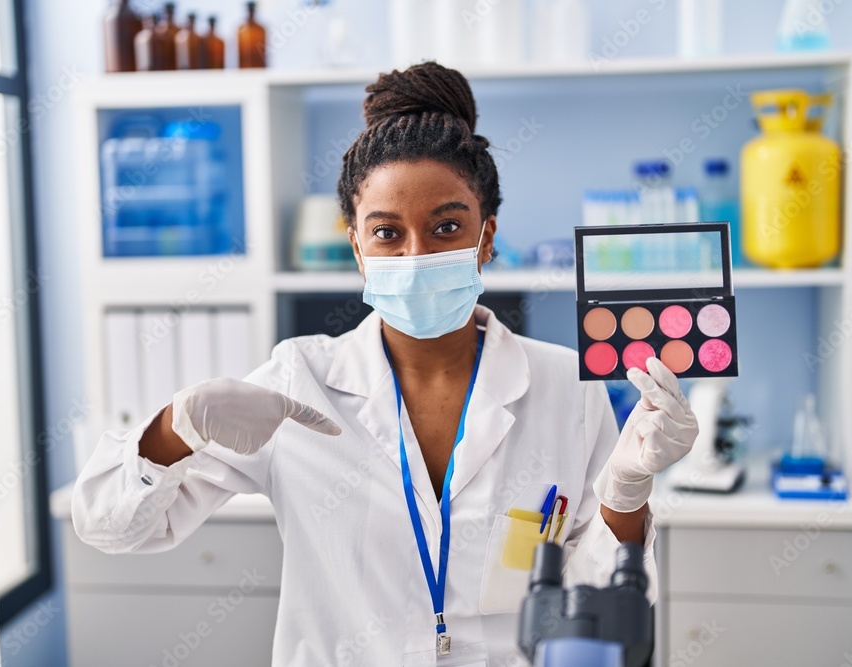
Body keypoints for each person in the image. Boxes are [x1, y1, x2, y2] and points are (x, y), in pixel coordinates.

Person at [72, 61, 698, 665]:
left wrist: (627, 493)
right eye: (387, 232)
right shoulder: (301, 383)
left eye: (447, 227)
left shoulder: (566, 386)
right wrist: (176, 428)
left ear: (487, 237)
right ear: (357, 245)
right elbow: (109, 527)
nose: (417, 254)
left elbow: (604, 600)